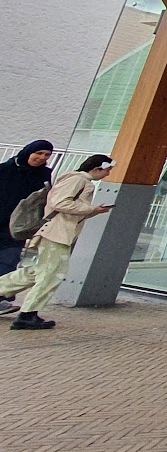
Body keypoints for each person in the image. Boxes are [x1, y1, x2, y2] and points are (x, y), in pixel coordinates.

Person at [0, 154, 115, 330]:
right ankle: (28, 314)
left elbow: (66, 208)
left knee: (36, 272)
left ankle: (17, 303)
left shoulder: (77, 180)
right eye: (107, 170)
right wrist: (91, 208)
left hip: (55, 233)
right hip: (56, 234)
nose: (108, 174)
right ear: (96, 169)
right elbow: (59, 203)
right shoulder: (78, 180)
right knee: (52, 275)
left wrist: (94, 211)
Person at [0, 140, 56, 315]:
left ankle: (1, 299)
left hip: (16, 228)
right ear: (28, 152)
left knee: (8, 260)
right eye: (38, 153)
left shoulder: (44, 175)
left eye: (47, 155)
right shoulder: (4, 170)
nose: (42, 157)